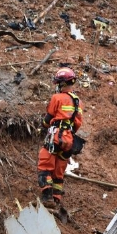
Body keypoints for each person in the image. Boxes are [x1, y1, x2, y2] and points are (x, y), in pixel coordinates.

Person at [37, 67, 83, 208]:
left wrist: (43, 126)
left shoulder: (57, 98)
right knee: (59, 169)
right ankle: (56, 200)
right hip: (69, 140)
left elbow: (48, 118)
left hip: (56, 136)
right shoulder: (78, 102)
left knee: (45, 164)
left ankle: (47, 197)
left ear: (62, 83)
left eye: (58, 83)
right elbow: (77, 123)